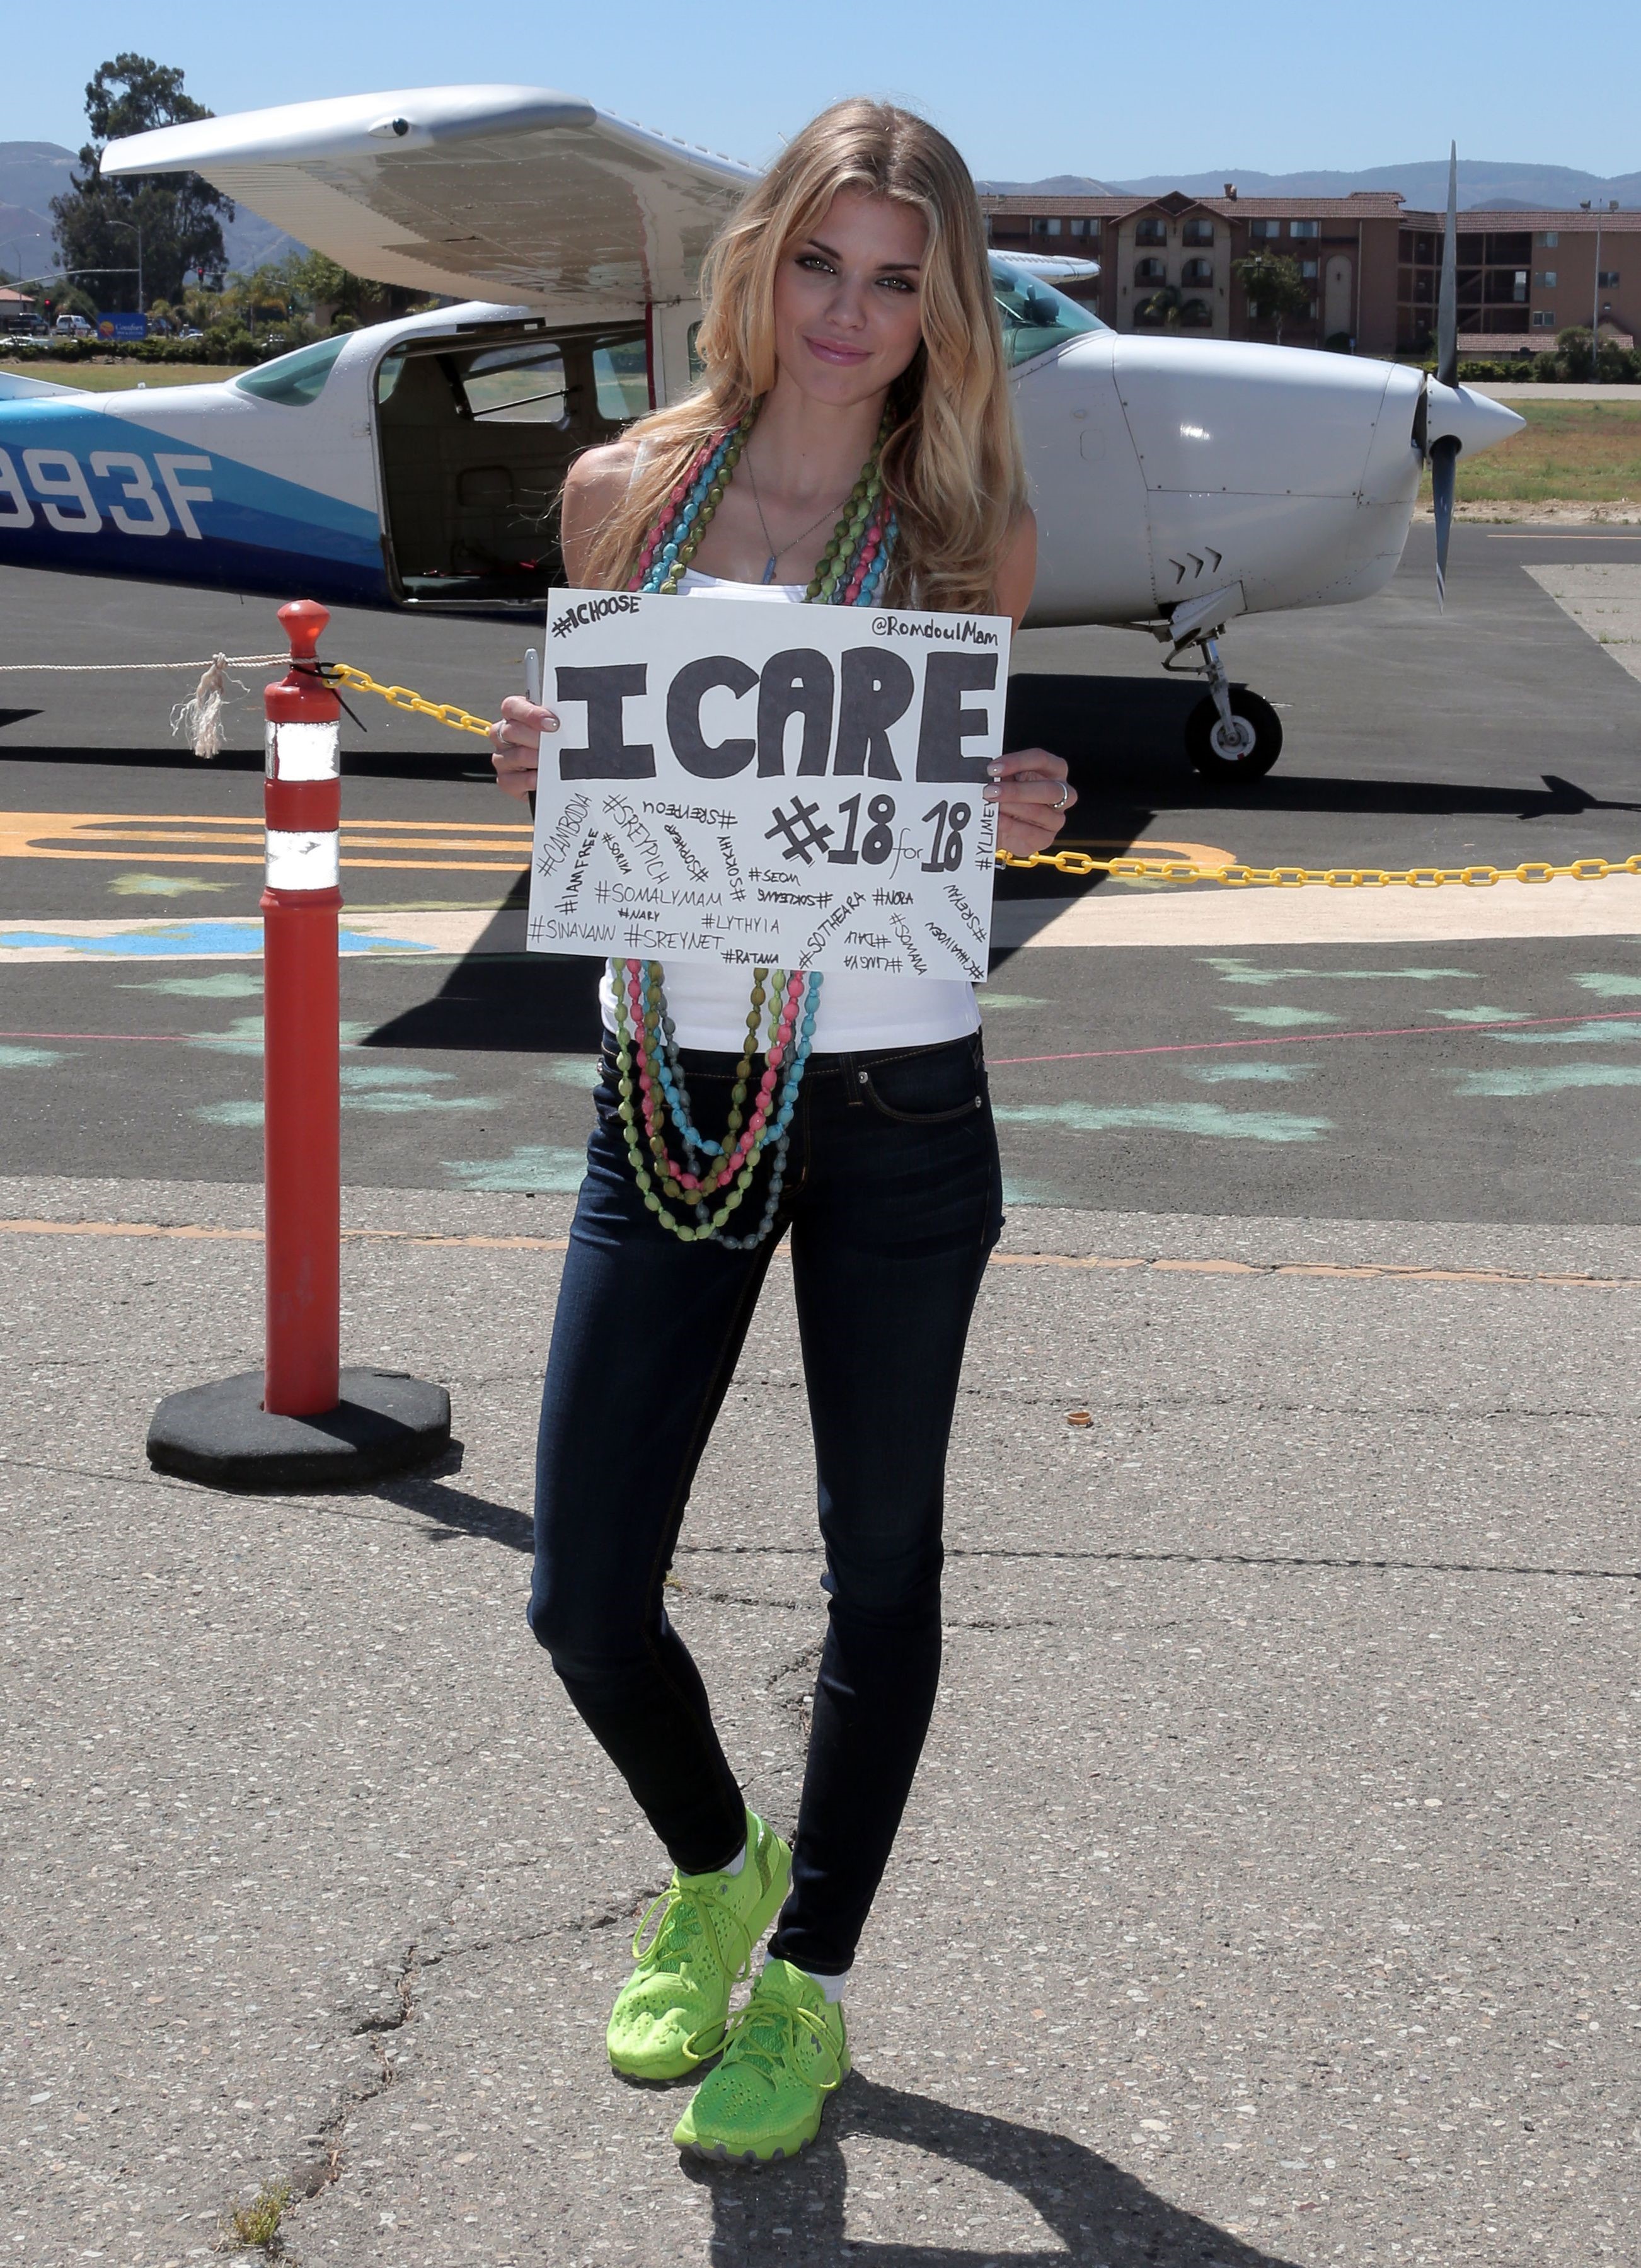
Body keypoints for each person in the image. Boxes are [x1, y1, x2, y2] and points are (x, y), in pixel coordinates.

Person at [488, 96, 1076, 2166]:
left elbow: (933, 813)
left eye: (897, 280)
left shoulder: (962, 527)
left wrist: (1019, 811)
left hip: (903, 1100)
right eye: (818, 263)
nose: (850, 313)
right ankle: (716, 1859)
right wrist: (542, 757)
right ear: (759, 265)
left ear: (943, 309)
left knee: (878, 1564)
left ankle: (808, 1978)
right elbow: (619, 785)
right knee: (579, 1590)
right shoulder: (619, 496)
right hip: (669, 1084)